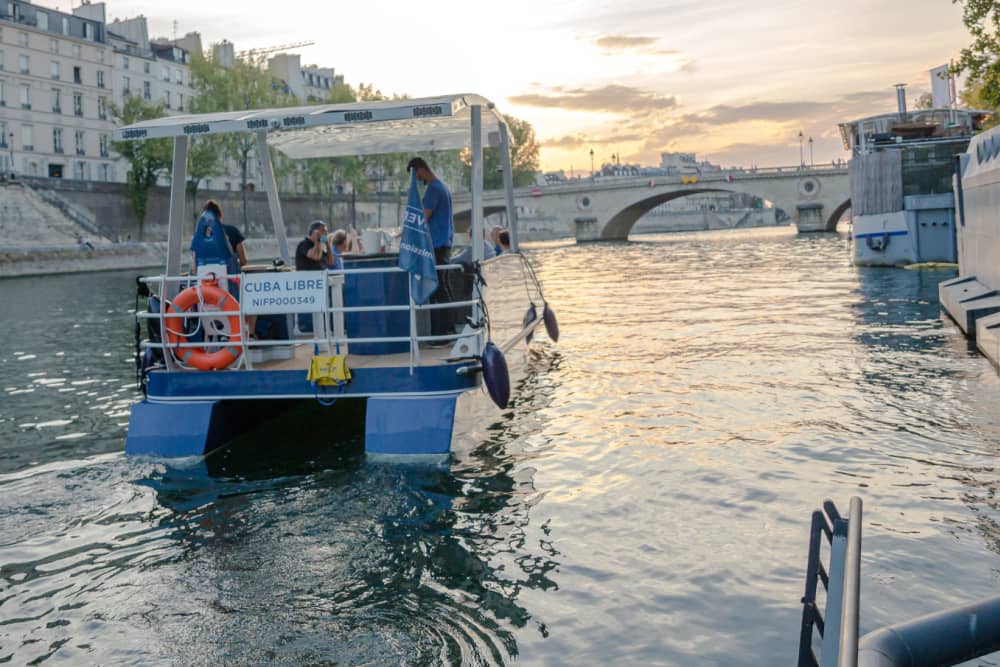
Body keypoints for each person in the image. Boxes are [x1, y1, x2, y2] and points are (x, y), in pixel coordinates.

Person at [407, 157, 453, 337]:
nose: (416, 181)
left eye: (414, 175)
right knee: (443, 288)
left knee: (436, 288)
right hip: (444, 243)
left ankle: (440, 333)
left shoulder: (433, 190)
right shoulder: (442, 187)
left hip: (436, 245)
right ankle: (447, 330)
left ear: (419, 170)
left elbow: (423, 218)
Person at [294, 221, 336, 333]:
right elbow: (316, 256)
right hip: (308, 284)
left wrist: (327, 244)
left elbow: (331, 261)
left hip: (320, 282)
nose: (325, 234)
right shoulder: (304, 245)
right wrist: (318, 242)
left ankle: (329, 330)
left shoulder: (321, 247)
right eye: (323, 232)